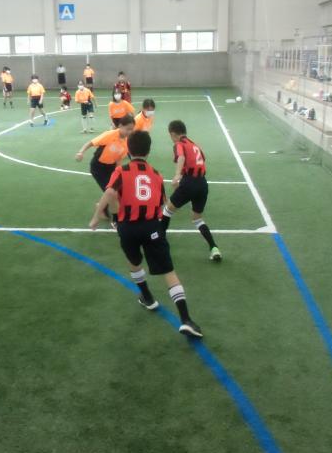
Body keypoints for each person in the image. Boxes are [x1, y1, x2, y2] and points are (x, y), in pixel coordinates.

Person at [88, 130, 202, 337]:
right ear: (148, 152)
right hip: (151, 227)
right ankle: (186, 319)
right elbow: (162, 204)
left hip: (127, 228)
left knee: (134, 263)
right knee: (168, 271)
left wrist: (98, 216)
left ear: (128, 151)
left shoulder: (121, 171)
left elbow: (110, 192)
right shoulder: (156, 175)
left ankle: (148, 297)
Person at [161, 120, 222, 262]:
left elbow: (181, 157)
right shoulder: (195, 145)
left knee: (167, 211)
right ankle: (214, 247)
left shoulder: (179, 144)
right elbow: (200, 161)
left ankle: (159, 242)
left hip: (189, 182)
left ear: (173, 134)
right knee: (197, 218)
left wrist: (177, 175)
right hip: (202, 184)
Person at [75, 114, 134, 225]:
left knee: (117, 190)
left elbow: (118, 159)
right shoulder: (109, 135)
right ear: (120, 126)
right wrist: (81, 152)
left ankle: (101, 207)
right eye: (128, 129)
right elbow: (90, 143)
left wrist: (119, 173)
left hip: (111, 168)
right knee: (112, 193)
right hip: (98, 168)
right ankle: (116, 220)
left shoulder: (126, 143)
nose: (129, 132)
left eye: (132, 129)